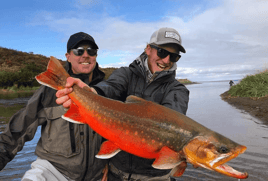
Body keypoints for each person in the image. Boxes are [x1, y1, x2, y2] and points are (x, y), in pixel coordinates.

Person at [56, 27, 190, 181]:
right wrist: (91, 92)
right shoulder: (125, 74)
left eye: (173, 56)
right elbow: (111, 87)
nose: (166, 60)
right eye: (162, 52)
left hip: (154, 177)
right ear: (148, 49)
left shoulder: (178, 90)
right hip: (116, 172)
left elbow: (171, 127)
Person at [0, 32, 108, 181]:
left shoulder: (106, 90)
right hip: (53, 171)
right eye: (78, 51)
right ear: (68, 56)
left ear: (95, 56)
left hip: (97, 176)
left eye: (91, 51)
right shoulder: (50, 90)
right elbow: (18, 130)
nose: (85, 55)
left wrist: (109, 165)